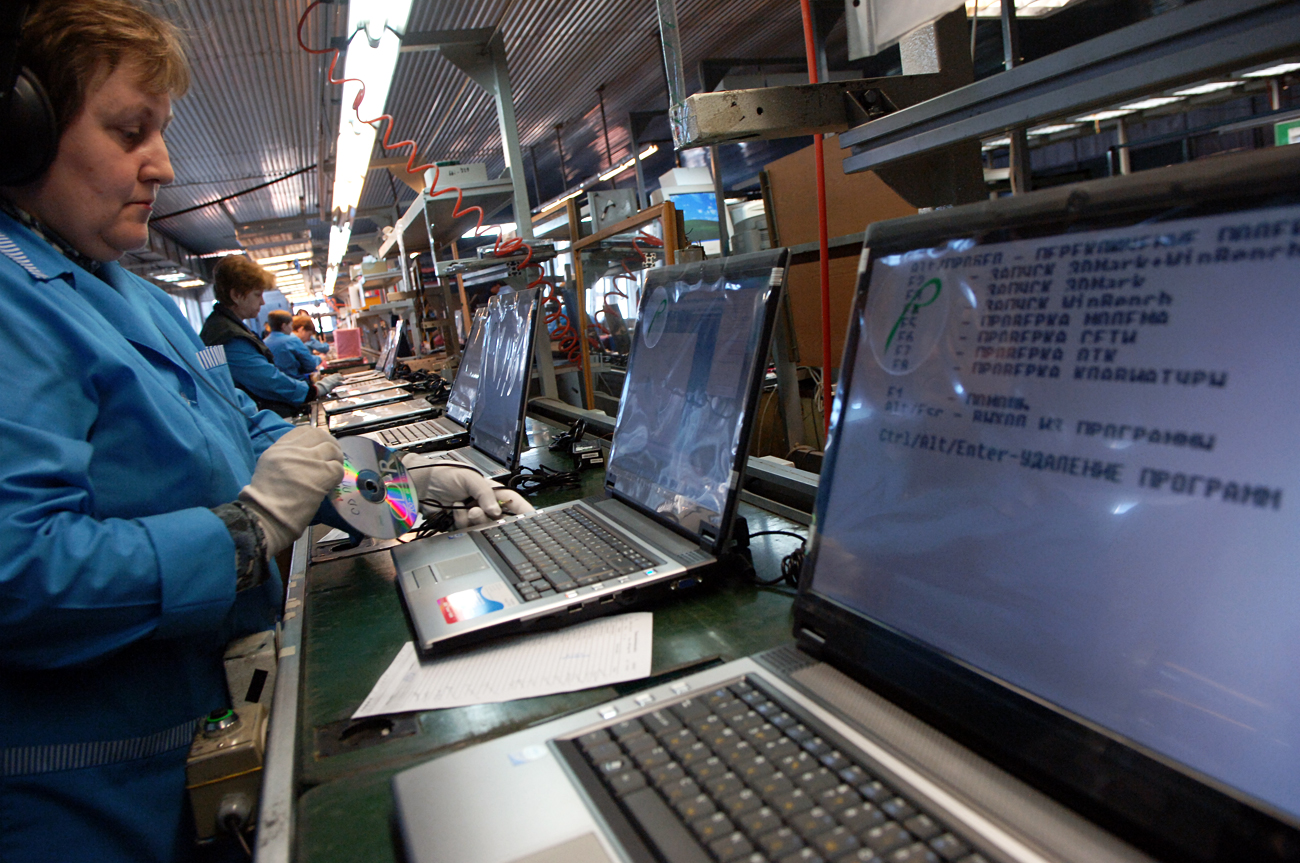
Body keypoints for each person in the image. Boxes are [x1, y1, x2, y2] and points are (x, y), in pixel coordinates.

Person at [0, 3, 528, 861]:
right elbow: (17, 570)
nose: (162, 165)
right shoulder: (14, 302)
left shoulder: (126, 293)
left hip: (198, 745)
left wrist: (402, 487)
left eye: (161, 131)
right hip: (85, 798)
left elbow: (256, 442)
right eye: (130, 130)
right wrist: (240, 535)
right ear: (21, 132)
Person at [199, 254, 341, 415]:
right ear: (236, 295)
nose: (262, 302)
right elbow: (267, 380)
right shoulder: (228, 338)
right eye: (257, 294)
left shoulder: (222, 327)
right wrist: (314, 390)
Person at [265, 309, 319, 379]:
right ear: (284, 326)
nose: (291, 329)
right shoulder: (292, 340)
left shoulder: (264, 343)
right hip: (297, 383)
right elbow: (310, 366)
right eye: (290, 325)